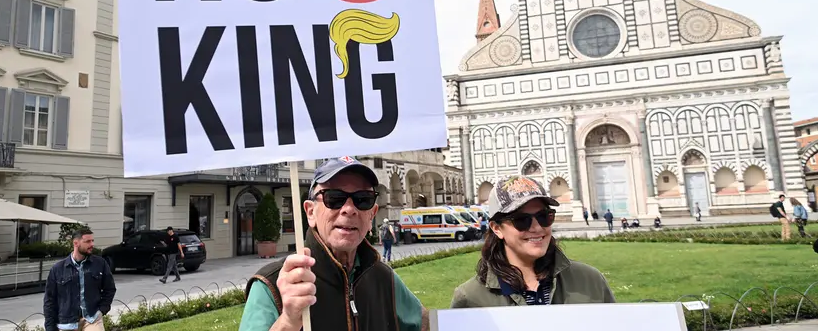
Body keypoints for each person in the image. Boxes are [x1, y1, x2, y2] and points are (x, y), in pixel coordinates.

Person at [239, 156, 428, 331]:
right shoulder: (271, 285)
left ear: (372, 214)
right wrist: (288, 322)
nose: (349, 209)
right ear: (310, 212)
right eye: (334, 198)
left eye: (362, 200)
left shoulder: (384, 278)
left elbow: (425, 324)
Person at [450, 175, 615, 308]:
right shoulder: (471, 299)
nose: (537, 227)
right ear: (497, 228)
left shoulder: (589, 281)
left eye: (544, 216)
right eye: (522, 220)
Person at [44, 228, 116, 331]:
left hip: (92, 318)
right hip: (67, 322)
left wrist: (101, 310)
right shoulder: (58, 269)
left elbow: (110, 289)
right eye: (87, 241)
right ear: (76, 243)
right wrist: (50, 327)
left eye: (92, 241)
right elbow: (49, 300)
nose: (92, 244)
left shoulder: (100, 264)